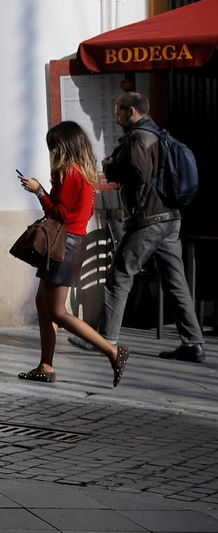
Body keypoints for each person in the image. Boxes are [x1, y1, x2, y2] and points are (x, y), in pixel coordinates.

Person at [79, 93, 204, 363]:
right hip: (170, 219)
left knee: (118, 276)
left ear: (131, 111)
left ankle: (105, 341)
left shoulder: (138, 137)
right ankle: (193, 344)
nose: (116, 119)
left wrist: (110, 168)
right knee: (176, 282)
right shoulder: (159, 135)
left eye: (118, 113)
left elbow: (139, 173)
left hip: (148, 220)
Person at [17, 121, 130, 385]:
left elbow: (59, 213)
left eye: (54, 146)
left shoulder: (69, 172)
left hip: (64, 244)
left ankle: (113, 351)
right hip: (72, 241)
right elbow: (84, 212)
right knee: (42, 303)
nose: (52, 151)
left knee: (57, 311)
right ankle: (45, 365)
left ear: (64, 145)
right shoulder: (85, 172)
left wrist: (39, 191)